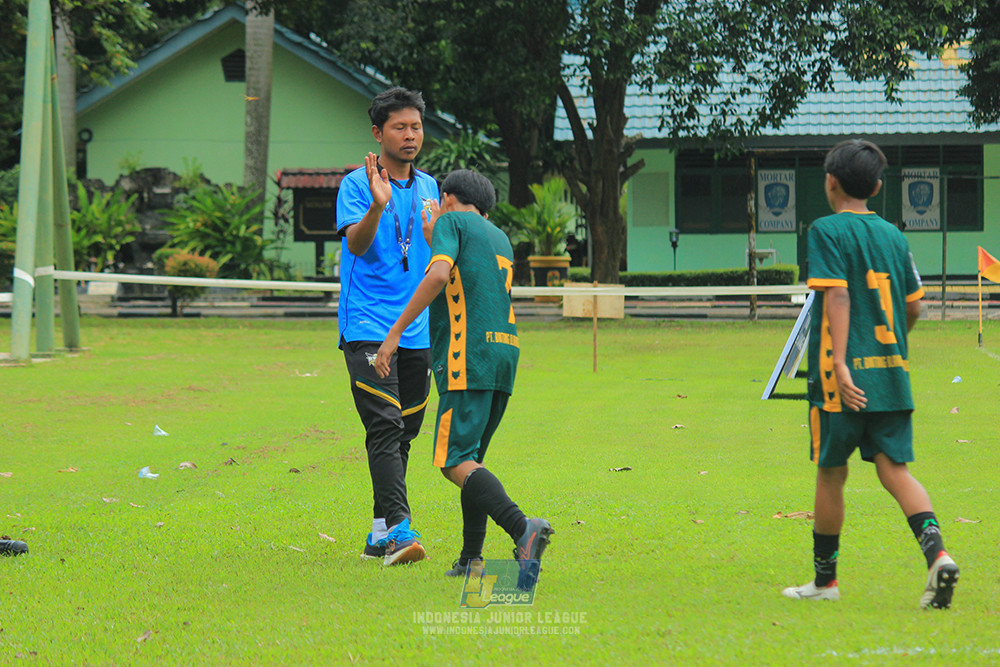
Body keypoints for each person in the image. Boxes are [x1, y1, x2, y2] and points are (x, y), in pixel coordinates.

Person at [782, 139, 959, 609]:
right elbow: (915, 306)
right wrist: (891, 351)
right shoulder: (895, 237)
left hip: (840, 382)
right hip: (891, 375)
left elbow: (837, 295)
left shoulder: (826, 230)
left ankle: (825, 582)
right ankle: (938, 555)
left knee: (830, 474)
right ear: (877, 187)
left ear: (830, 181)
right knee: (895, 470)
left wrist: (841, 362)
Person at [374, 169, 553, 589]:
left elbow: (439, 276)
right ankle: (471, 558)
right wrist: (432, 237)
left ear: (448, 199)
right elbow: (467, 277)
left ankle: (522, 527)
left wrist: (394, 333)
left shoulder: (451, 222)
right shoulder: (498, 236)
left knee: (453, 460)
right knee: (471, 460)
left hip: (467, 357)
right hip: (503, 354)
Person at [335, 87, 439, 566]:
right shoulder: (356, 184)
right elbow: (356, 245)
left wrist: (437, 234)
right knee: (384, 424)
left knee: (404, 432)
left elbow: (436, 256)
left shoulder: (431, 187)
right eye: (400, 127)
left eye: (416, 126)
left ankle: (379, 533)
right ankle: (400, 531)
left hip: (416, 328)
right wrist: (377, 205)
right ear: (378, 133)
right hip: (367, 324)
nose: (410, 135)